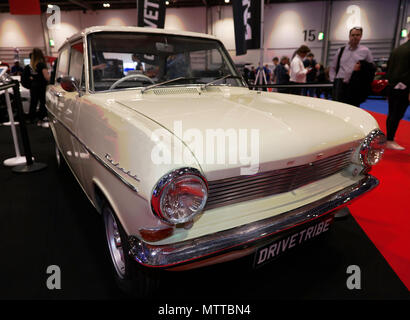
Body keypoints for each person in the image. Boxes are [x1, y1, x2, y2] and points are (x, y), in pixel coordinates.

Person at [329, 26, 373, 105]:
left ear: (361, 36)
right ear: (349, 36)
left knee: (353, 107)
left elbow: (371, 67)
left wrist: (362, 67)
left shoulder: (365, 51)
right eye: (353, 35)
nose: (355, 37)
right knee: (337, 107)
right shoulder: (341, 50)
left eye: (357, 35)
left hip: (355, 84)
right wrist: (333, 81)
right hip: (340, 83)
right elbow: (333, 67)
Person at [384, 30, 410, 150]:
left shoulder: (397, 49)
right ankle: (390, 139)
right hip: (404, 87)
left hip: (393, 86)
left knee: (392, 114)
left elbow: (388, 68)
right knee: (397, 114)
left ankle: (389, 138)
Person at [28, 48, 50, 127]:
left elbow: (31, 77)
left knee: (33, 103)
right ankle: (41, 119)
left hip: (33, 86)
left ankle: (31, 119)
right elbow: (46, 77)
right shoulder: (41, 64)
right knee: (42, 102)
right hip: (41, 86)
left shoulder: (32, 65)